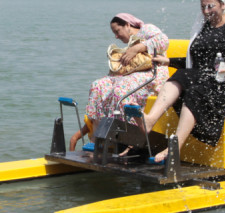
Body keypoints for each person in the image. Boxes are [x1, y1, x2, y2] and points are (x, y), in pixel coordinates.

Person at [142, 0, 225, 162]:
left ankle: (174, 146)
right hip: (213, 80)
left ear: (222, 5)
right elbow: (199, 62)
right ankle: (151, 120)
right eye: (203, 7)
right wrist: (170, 61)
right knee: (183, 75)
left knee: (197, 92)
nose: (206, 11)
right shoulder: (204, 28)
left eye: (211, 6)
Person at [68, 13, 169, 150]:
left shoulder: (146, 29)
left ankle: (125, 139)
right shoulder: (129, 44)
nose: (116, 36)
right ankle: (98, 136)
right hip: (133, 75)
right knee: (98, 85)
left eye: (117, 31)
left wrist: (136, 48)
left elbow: (164, 41)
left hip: (153, 73)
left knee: (120, 90)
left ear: (127, 25)